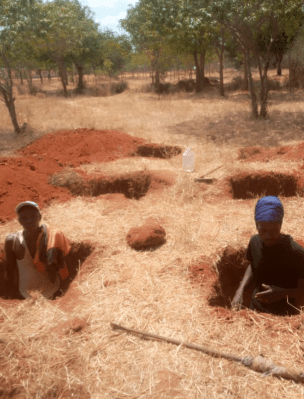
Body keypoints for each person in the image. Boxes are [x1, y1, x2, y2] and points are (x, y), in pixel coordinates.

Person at [232, 196, 304, 315]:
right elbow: (252, 265)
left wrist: (283, 293)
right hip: (255, 311)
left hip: (284, 316)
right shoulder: (254, 242)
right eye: (263, 231)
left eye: (274, 231)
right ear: (256, 225)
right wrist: (240, 291)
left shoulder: (295, 252)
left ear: (280, 225)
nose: (268, 236)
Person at [3, 201, 71, 300]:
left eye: (33, 216)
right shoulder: (12, 241)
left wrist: (65, 292)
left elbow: (63, 265)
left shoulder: (52, 237)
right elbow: (10, 270)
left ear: (40, 217)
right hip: (25, 294)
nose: (29, 221)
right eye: (24, 218)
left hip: (52, 292)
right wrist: (11, 296)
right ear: (19, 221)